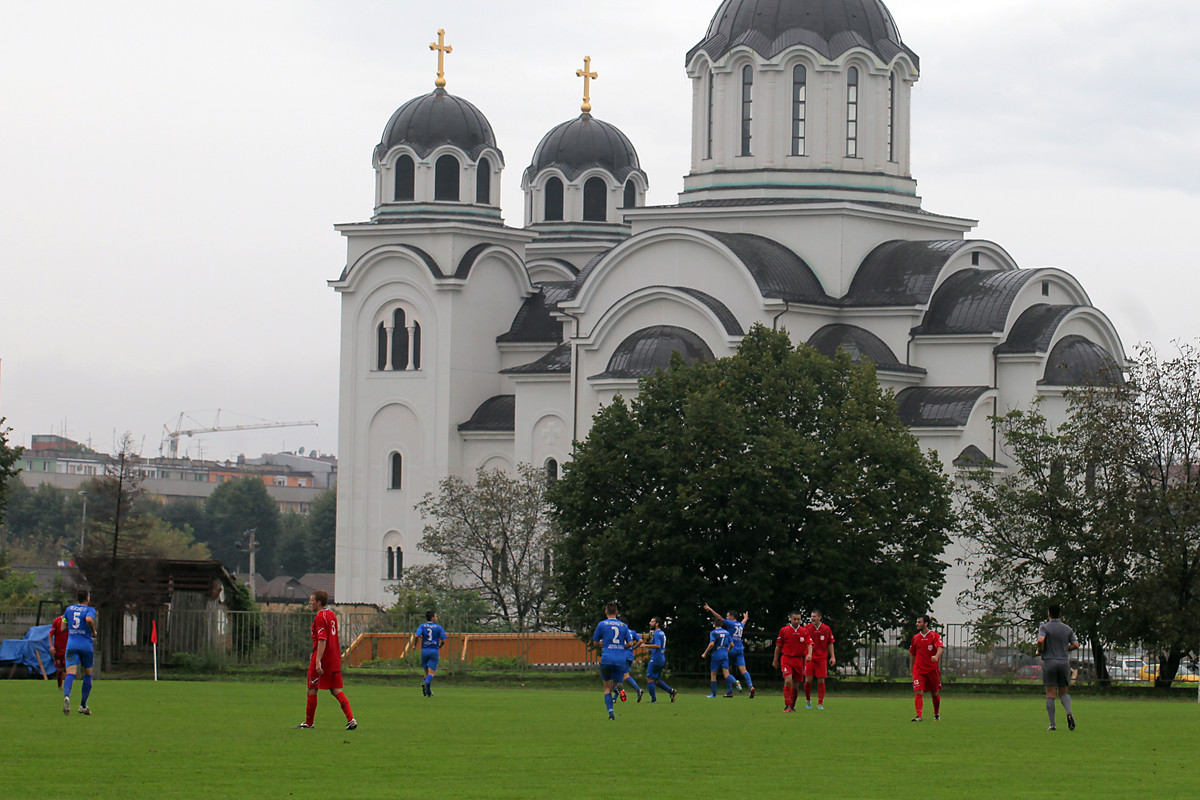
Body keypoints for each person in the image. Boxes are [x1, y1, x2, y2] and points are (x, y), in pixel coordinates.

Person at [294, 590, 357, 730]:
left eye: (311, 600)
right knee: (335, 689)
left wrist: (317, 660)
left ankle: (309, 723)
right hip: (334, 658)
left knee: (312, 688)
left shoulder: (320, 617)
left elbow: (322, 640)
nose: (310, 603)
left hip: (324, 659)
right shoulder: (331, 615)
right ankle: (351, 719)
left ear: (318, 602)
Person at [1036, 603, 1079, 731]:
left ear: (1049, 613)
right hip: (1064, 662)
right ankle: (1069, 712)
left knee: (1050, 694)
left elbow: (1040, 641)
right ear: (1060, 614)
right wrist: (1065, 649)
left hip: (1050, 662)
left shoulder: (1044, 627)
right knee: (1063, 692)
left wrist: (1039, 650)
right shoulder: (1067, 629)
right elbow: (1075, 645)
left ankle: (1052, 724)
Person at [592, 603, 633, 720]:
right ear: (616, 612)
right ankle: (618, 685)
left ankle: (611, 712)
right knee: (614, 683)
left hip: (607, 658)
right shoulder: (623, 626)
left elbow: (595, 643)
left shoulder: (602, 624)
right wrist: (621, 646)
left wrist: (603, 644)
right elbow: (630, 644)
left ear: (606, 612)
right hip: (620, 658)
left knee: (606, 688)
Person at [704, 603, 755, 698]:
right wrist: (746, 618)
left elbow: (719, 618)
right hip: (740, 649)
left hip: (731, 649)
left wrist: (710, 609)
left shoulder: (730, 623)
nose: (726, 618)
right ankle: (751, 686)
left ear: (732, 617)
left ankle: (730, 691)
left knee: (726, 671)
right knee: (744, 670)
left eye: (727, 616)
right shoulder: (740, 625)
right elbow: (743, 622)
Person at [61, 590, 96, 716]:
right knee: (87, 674)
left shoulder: (69, 609)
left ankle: (67, 696)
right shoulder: (90, 610)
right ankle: (82, 705)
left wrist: (72, 630)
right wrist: (93, 631)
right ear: (87, 598)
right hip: (86, 646)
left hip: (71, 645)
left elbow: (62, 628)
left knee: (70, 673)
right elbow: (88, 619)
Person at [772, 611, 811, 712]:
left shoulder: (804, 631)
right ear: (790, 619)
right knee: (788, 680)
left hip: (799, 660)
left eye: (798, 619)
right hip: (786, 658)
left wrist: (809, 654)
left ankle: (792, 706)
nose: (797, 621)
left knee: (796, 686)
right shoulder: (784, 630)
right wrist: (775, 660)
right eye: (795, 619)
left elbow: (809, 644)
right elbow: (778, 646)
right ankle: (787, 706)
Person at [909, 614, 944, 721]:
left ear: (926, 623)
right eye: (917, 622)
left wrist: (936, 656)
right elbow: (913, 654)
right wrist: (912, 670)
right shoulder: (915, 638)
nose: (917, 624)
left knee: (934, 693)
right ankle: (919, 716)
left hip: (932, 670)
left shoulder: (934, 636)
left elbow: (940, 648)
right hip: (919, 670)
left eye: (919, 622)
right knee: (918, 691)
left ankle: (936, 714)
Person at [804, 610, 835, 709]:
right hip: (810, 658)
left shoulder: (826, 629)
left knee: (821, 681)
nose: (812, 618)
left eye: (814, 616)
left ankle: (820, 703)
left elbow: (830, 643)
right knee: (808, 680)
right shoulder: (807, 628)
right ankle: (808, 700)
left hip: (821, 658)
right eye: (811, 616)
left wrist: (833, 656)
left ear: (819, 618)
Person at [412, 611, 447, 697]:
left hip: (424, 651)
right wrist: (439, 646)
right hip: (433, 650)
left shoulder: (422, 626)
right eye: (436, 616)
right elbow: (444, 640)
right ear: (432, 618)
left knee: (426, 673)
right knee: (431, 674)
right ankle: (425, 683)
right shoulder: (438, 627)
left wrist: (414, 645)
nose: (437, 618)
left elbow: (417, 636)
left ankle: (428, 692)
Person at [643, 617, 676, 703]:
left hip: (656, 658)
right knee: (656, 680)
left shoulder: (657, 634)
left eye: (652, 621)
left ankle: (654, 699)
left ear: (657, 624)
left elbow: (658, 645)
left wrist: (646, 646)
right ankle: (671, 691)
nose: (650, 623)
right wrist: (651, 650)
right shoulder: (662, 633)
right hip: (661, 657)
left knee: (649, 678)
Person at [700, 618, 735, 698]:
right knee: (726, 673)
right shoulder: (727, 632)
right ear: (722, 624)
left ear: (714, 624)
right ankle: (735, 682)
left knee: (713, 674)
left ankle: (714, 694)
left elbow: (712, 644)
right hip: (725, 654)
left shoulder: (713, 633)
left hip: (716, 654)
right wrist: (727, 651)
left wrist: (705, 653)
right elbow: (732, 645)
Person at [619, 627, 644, 702]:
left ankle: (617, 695)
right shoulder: (632, 632)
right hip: (629, 656)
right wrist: (633, 648)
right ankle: (638, 690)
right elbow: (640, 641)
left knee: (615, 676)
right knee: (626, 676)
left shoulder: (620, 631)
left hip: (621, 655)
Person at [48, 611, 69, 690]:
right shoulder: (57, 621)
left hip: (69, 649)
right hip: (59, 649)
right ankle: (60, 685)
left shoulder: (72, 621)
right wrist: (51, 646)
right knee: (60, 669)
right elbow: (50, 634)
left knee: (69, 669)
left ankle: (67, 687)